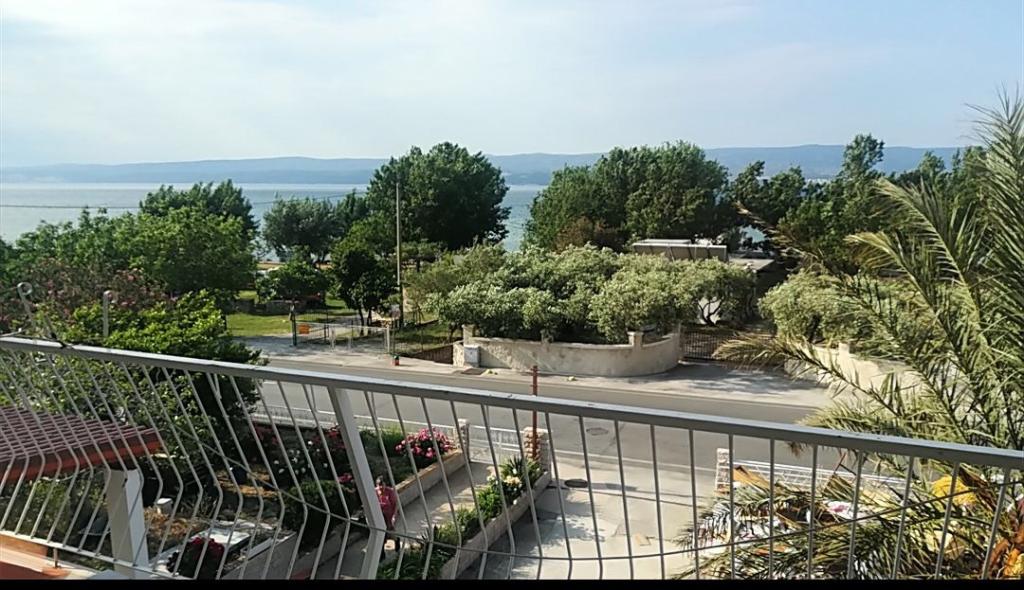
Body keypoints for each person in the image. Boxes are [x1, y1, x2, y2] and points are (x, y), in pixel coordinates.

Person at [375, 476, 399, 558]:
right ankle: (382, 554)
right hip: (380, 516)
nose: (381, 487)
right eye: (379, 485)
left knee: (390, 533)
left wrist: (394, 516)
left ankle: (396, 540)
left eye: (382, 485)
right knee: (381, 535)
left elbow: (395, 505)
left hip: (389, 516)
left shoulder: (390, 492)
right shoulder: (375, 492)